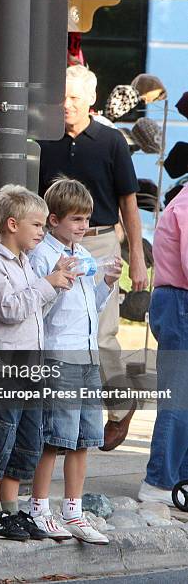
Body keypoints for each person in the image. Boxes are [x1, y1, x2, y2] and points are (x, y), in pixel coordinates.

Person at [38, 65, 148, 451]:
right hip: (52, 246)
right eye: (62, 97)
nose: (66, 105)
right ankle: (60, 416)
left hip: (101, 243)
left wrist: (136, 256)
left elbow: (129, 204)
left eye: (73, 98)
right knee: (57, 334)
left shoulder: (111, 141)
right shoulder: (44, 138)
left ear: (91, 101)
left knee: (101, 336)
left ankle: (119, 407)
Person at [0, 184, 75, 541]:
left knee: (26, 439)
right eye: (37, 225)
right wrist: (47, 284)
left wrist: (55, 283)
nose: (43, 232)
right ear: (12, 224)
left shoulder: (26, 265)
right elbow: (10, 309)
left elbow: (33, 309)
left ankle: (11, 509)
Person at [29, 177, 122, 544]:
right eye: (76, 220)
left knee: (84, 436)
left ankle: (73, 509)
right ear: (54, 220)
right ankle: (38, 508)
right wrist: (58, 279)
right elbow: (40, 311)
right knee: (55, 436)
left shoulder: (82, 254)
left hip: (86, 353)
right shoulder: (44, 256)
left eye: (86, 219)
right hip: (60, 355)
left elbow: (91, 308)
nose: (83, 226)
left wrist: (107, 283)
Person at [138, 184, 188, 506]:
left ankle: (177, 482)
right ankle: (160, 482)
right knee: (179, 397)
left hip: (175, 300)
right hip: (180, 301)